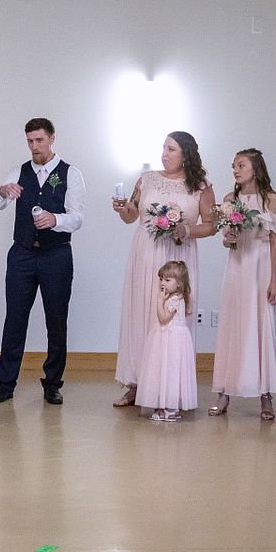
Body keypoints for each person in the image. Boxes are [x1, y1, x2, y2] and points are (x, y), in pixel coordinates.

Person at [110, 131, 216, 408]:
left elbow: (212, 225)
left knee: (172, 319)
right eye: (163, 148)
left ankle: (171, 386)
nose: (164, 154)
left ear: (186, 155)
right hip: (146, 255)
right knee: (141, 313)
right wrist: (122, 208)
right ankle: (134, 384)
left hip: (179, 253)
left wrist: (186, 229)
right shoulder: (145, 180)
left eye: (171, 149)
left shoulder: (201, 186)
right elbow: (130, 216)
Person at [0, 117, 85, 406]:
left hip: (56, 255)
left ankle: (53, 382)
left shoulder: (72, 174)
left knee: (56, 321)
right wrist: (2, 192)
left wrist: (56, 219)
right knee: (14, 319)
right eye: (30, 141)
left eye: (39, 140)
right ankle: (6, 384)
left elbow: (77, 217)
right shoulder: (18, 171)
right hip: (22, 254)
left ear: (52, 138)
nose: (34, 146)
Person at [210, 148, 276, 421]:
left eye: (240, 165)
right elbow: (227, 242)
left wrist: (275, 279)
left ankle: (266, 396)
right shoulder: (230, 200)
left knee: (263, 326)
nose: (235, 170)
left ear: (256, 168)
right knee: (234, 325)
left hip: (261, 267)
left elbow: (275, 241)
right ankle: (224, 392)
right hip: (238, 266)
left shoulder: (271, 199)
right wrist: (228, 236)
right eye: (233, 166)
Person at [135, 261, 197, 422]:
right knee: (164, 370)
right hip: (167, 338)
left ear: (179, 284)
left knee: (170, 371)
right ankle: (164, 405)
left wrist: (159, 300)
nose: (163, 283)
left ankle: (170, 407)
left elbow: (163, 319)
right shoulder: (177, 297)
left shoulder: (174, 300)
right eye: (162, 279)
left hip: (171, 339)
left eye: (168, 280)